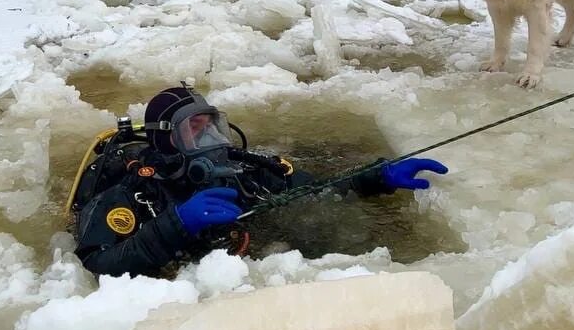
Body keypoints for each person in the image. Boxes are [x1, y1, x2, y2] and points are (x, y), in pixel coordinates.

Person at [69, 85, 449, 277]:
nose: (208, 141)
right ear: (166, 138)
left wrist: (377, 176)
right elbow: (99, 263)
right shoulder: (135, 190)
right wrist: (174, 225)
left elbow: (317, 190)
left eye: (211, 128)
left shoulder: (243, 170)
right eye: (194, 130)